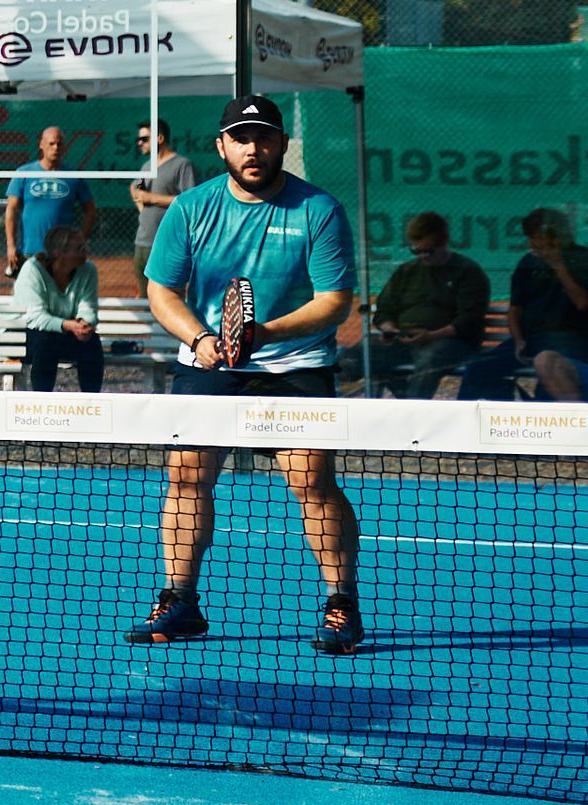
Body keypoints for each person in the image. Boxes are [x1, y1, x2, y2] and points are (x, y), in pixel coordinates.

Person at [128, 94, 364, 655]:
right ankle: (180, 600)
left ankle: (341, 603)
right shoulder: (190, 208)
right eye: (240, 138)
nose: (252, 149)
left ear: (282, 144)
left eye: (263, 138)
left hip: (295, 364)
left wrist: (265, 335)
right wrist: (201, 339)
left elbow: (334, 301)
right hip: (209, 361)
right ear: (222, 146)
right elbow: (161, 291)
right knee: (186, 476)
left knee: (311, 482)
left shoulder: (319, 210)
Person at [337, 211, 489, 399]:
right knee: (359, 352)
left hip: (450, 342)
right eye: (416, 251)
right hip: (404, 341)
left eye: (429, 251)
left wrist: (431, 335)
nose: (423, 256)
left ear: (444, 242)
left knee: (431, 358)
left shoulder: (467, 271)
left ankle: (412, 410)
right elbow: (384, 310)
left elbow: (469, 319)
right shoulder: (407, 271)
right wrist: (389, 328)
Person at [457, 208, 588, 401]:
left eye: (536, 237)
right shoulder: (528, 262)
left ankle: (566, 425)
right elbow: (515, 309)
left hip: (570, 339)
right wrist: (518, 340)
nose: (531, 243)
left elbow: (582, 303)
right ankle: (488, 421)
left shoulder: (582, 259)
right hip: (532, 339)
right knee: (479, 367)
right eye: (531, 238)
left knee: (548, 377)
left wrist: (557, 264)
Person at [12, 225, 103, 393]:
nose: (87, 251)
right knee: (45, 342)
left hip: (59, 334)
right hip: (22, 334)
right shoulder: (32, 270)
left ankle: (93, 403)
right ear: (58, 253)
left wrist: (84, 324)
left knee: (91, 342)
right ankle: (43, 403)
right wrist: (69, 325)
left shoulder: (88, 270)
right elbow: (35, 317)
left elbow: (88, 305)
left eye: (86, 246)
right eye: (79, 248)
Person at [4, 127, 97, 279]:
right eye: (51, 143)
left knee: (62, 299)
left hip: (63, 255)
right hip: (30, 253)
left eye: (59, 144)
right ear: (41, 145)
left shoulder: (74, 176)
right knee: (29, 300)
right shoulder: (23, 173)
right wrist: (11, 245)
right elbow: (11, 210)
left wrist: (80, 240)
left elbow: (90, 210)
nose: (55, 148)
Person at [129, 118, 197, 285]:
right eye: (138, 139)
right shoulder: (147, 166)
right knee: (145, 300)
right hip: (142, 241)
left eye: (144, 139)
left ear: (159, 138)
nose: (140, 143)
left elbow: (191, 202)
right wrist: (141, 207)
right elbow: (134, 188)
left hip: (167, 242)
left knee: (167, 295)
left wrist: (152, 198)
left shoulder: (182, 165)